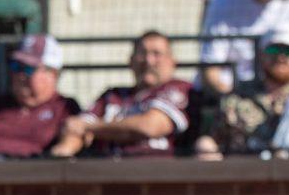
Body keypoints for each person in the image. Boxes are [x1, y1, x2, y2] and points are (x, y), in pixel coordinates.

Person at [194, 21, 289, 159]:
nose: (281, 56)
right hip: (240, 179)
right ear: (261, 54)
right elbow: (212, 138)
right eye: (274, 49)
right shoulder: (237, 98)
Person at [51, 31, 195, 158]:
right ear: (130, 61)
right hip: (103, 175)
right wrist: (65, 152)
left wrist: (91, 128)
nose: (148, 61)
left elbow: (150, 126)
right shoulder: (112, 95)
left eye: (156, 54)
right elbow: (75, 129)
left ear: (173, 61)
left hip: (153, 176)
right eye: (142, 53)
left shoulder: (178, 88)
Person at [0, 34, 80, 159]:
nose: (20, 75)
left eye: (29, 69)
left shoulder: (65, 108)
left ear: (52, 74)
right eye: (16, 66)